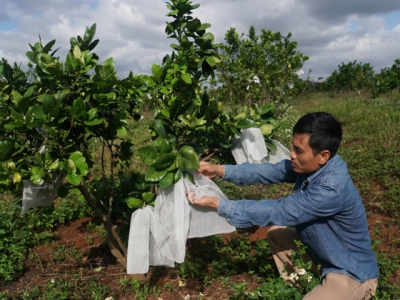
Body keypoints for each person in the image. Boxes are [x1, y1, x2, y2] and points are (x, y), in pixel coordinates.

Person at [189, 112, 378, 300]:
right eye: (292, 147)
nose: (292, 155)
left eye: (299, 151)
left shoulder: (330, 189)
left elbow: (279, 210)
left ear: (323, 156)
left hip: (350, 272)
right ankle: (305, 284)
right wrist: (218, 170)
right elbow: (267, 172)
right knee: (277, 234)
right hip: (325, 257)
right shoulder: (312, 166)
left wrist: (218, 205)